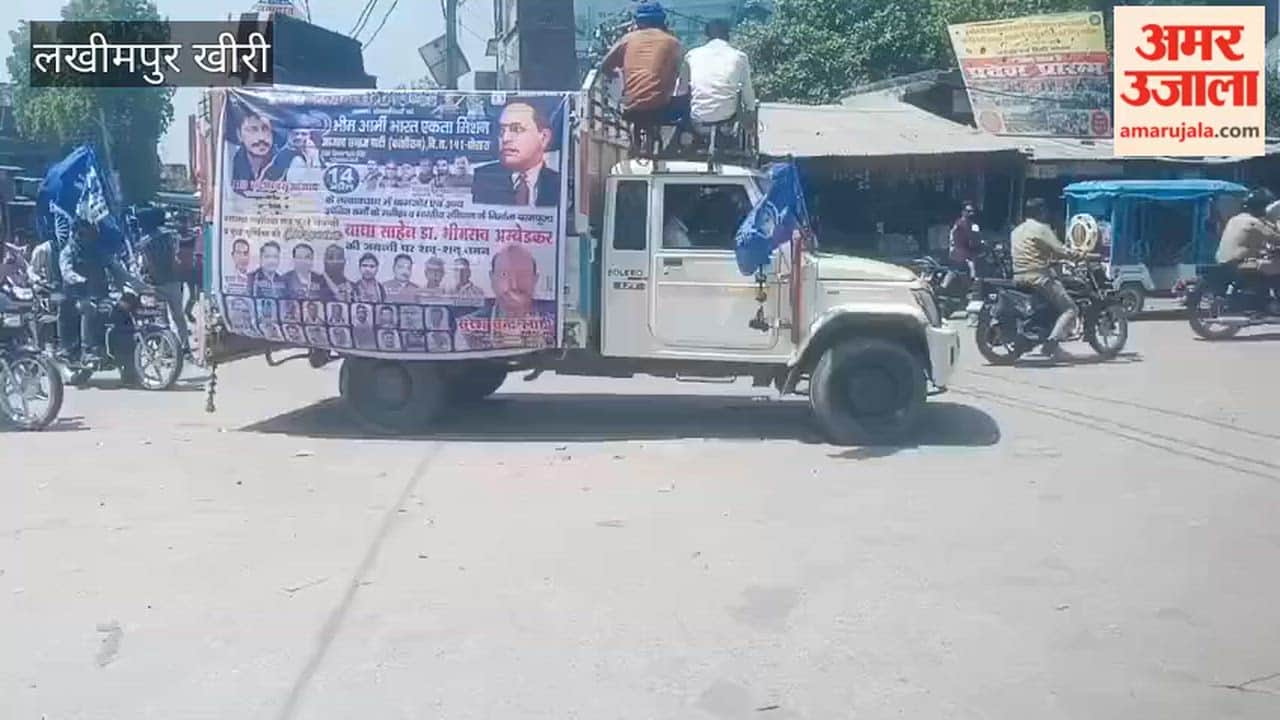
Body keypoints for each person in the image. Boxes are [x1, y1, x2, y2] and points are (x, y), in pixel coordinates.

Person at [1011, 198, 1085, 360]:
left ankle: (1053, 342)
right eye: (1044, 211)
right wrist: (1077, 255)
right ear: (1040, 212)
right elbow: (1060, 249)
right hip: (1038, 277)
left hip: (1018, 277)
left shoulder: (1016, 231)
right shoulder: (1041, 229)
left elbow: (1034, 252)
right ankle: (1051, 343)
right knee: (1070, 309)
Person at [600, 2, 689, 130]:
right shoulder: (673, 42)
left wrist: (615, 74)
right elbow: (681, 73)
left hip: (631, 106)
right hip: (662, 106)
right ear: (662, 21)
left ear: (638, 22)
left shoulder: (628, 39)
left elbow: (605, 66)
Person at [472, 102, 561, 207]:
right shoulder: (485, 177)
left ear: (544, 137)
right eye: (502, 131)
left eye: (517, 129)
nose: (505, 138)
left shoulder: (559, 182)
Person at [685, 19, 756, 128]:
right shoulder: (739, 56)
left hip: (698, 117)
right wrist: (751, 110)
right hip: (727, 117)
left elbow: (683, 87)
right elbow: (747, 89)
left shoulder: (692, 55)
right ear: (728, 35)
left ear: (706, 37)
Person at [137, 216, 190, 351]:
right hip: (173, 280)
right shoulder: (168, 236)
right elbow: (174, 258)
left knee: (162, 319)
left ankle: (166, 349)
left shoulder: (144, 243)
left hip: (156, 284)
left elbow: (149, 264)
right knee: (178, 315)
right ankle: (185, 345)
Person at [1217, 187, 1280, 279]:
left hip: (1223, 263)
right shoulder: (1253, 222)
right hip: (1241, 265)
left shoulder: (1235, 219)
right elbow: (1276, 238)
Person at [230, 109, 291, 191]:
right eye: (253, 130)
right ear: (239, 135)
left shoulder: (286, 162)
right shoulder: (230, 163)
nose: (261, 137)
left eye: (265, 129)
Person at [950, 202, 982, 277]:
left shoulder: (973, 226)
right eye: (968, 211)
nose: (971, 213)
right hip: (961, 255)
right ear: (963, 212)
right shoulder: (958, 225)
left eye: (973, 211)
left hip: (965, 254)